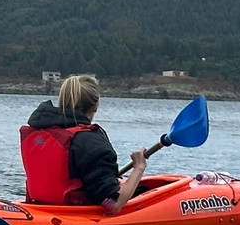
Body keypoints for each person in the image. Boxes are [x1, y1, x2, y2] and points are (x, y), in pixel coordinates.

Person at [20, 74, 146, 212]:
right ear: (96, 105)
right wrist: (139, 167)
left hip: (40, 208)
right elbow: (114, 203)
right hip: (75, 214)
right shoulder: (90, 141)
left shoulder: (39, 132)